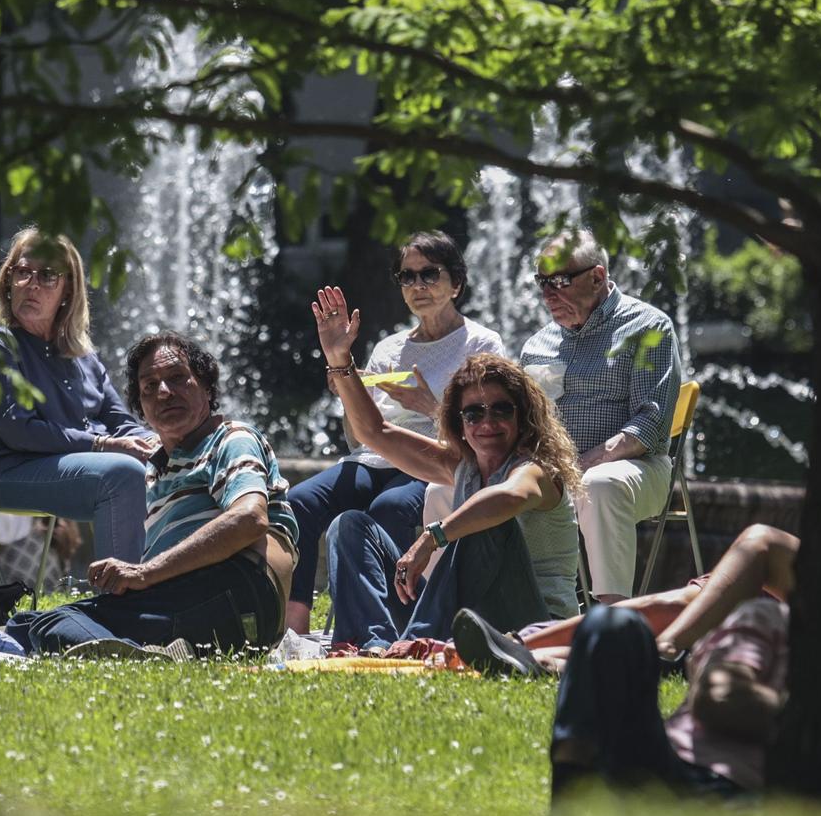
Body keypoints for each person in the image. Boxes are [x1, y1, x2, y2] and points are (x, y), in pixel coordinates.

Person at [312, 285, 583, 651]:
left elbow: (509, 496)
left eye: (501, 409)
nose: (487, 422)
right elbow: (375, 432)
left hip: (535, 627)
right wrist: (339, 359)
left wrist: (432, 536)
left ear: (524, 416)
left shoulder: (537, 469)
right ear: (458, 423)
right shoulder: (462, 465)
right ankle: (378, 645)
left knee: (486, 519)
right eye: (473, 413)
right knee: (350, 526)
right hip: (469, 616)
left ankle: (417, 641)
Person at [452, 524, 798, 801]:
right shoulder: (765, 617)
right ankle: (528, 652)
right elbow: (721, 694)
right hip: (669, 759)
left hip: (732, 792)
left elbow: (723, 697)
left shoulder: (777, 622)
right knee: (624, 622)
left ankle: (538, 657)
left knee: (677, 610)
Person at [7, 332, 297, 657]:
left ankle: (142, 657)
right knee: (24, 623)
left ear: (207, 388)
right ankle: (150, 652)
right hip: (191, 599)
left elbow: (250, 518)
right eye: (149, 386)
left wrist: (144, 573)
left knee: (54, 623)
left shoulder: (230, 438)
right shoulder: (157, 469)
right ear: (141, 408)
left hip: (235, 592)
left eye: (177, 378)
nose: (164, 392)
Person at [286, 232, 506, 634]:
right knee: (299, 500)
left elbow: (492, 425)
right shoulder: (388, 347)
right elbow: (359, 437)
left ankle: (385, 625)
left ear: (456, 283)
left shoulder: (482, 343)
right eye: (407, 277)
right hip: (374, 458)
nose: (417, 286)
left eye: (429, 274)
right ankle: (294, 629)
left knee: (388, 508)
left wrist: (431, 406)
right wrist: (346, 386)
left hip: (432, 460)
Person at [0, 228, 158, 564]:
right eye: (23, 272)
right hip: (8, 471)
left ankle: (176, 596)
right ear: (8, 281)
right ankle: (125, 603)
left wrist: (165, 444)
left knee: (177, 467)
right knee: (123, 474)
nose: (32, 284)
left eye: (48, 275)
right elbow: (18, 430)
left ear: (68, 289)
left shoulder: (80, 352)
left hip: (74, 467)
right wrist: (102, 445)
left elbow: (118, 421)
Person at [519, 230, 680, 600]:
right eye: (542, 282)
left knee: (598, 485)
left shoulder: (647, 328)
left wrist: (577, 466)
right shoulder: (536, 344)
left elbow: (648, 426)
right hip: (556, 471)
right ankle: (443, 625)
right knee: (449, 488)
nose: (548, 293)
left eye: (559, 280)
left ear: (597, 276)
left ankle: (611, 623)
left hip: (637, 468)